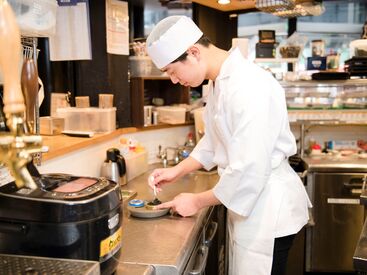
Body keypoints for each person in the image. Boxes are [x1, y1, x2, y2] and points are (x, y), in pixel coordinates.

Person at [146, 15, 311, 275]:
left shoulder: (249, 86)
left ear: (194, 52)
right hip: (249, 206)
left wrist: (197, 201)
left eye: (172, 71)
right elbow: (214, 140)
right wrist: (177, 171)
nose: (174, 81)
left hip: (268, 211)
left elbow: (249, 169)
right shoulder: (218, 82)